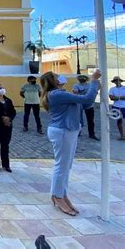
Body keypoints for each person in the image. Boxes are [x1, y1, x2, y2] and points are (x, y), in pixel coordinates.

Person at [40, 70, 100, 216]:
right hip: (62, 131)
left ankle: (61, 193)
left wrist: (95, 87)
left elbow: (85, 104)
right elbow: (86, 99)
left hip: (69, 131)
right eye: (56, 76)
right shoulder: (56, 94)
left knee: (66, 166)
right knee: (61, 165)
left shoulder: (62, 93)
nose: (60, 76)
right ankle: (57, 196)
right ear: (53, 81)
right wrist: (93, 80)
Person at [72, 75, 99, 140]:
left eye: (83, 78)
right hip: (79, 104)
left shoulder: (89, 85)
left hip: (89, 104)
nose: (82, 79)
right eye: (80, 78)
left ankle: (91, 134)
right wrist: (87, 92)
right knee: (79, 119)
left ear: (86, 79)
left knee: (90, 120)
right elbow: (75, 92)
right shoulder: (75, 85)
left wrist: (81, 92)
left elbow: (95, 90)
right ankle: (78, 132)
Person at [109, 76, 125, 140]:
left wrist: (117, 97)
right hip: (116, 107)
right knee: (119, 121)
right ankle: (122, 135)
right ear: (114, 82)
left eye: (118, 80)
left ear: (120, 81)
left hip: (124, 106)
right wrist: (121, 97)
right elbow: (111, 98)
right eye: (115, 80)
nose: (117, 81)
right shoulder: (112, 89)